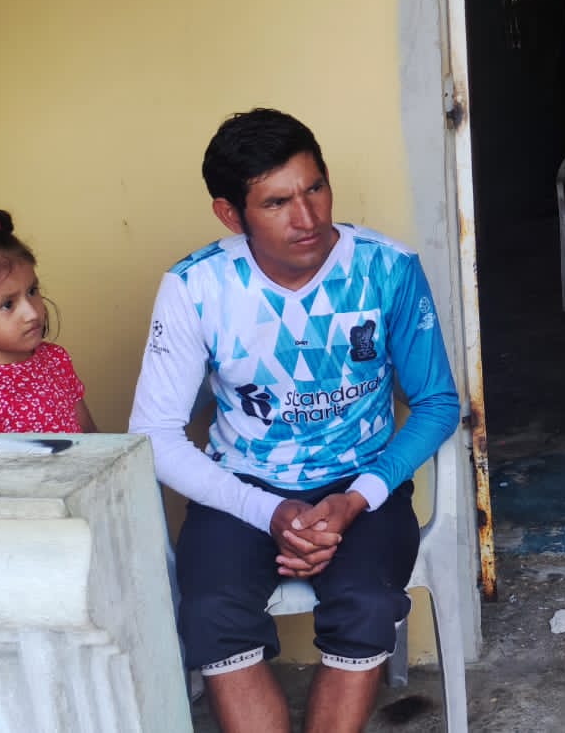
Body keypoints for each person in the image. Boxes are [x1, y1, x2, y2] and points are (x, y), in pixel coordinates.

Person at [129, 109, 460, 733]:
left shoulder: (387, 268)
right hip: (241, 489)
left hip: (363, 484)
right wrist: (269, 512)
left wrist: (357, 499)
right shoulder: (197, 286)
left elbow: (438, 402)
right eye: (277, 202)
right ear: (231, 215)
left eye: (315, 189)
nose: (307, 219)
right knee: (212, 611)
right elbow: (155, 435)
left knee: (366, 604)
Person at [0, 210, 98, 433]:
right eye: (7, 304)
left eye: (32, 291)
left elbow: (91, 436)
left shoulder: (55, 360)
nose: (32, 313)